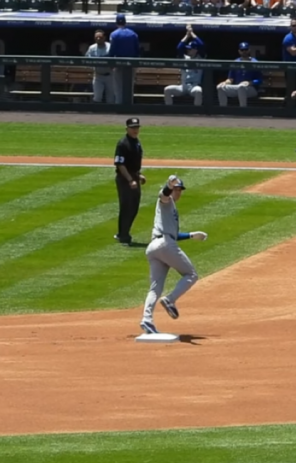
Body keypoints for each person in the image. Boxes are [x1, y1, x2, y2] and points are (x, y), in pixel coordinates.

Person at [140, 175, 208, 335]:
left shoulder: (171, 209)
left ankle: (146, 320)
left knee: (155, 287)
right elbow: (163, 194)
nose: (178, 193)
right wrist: (168, 185)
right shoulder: (166, 201)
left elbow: (173, 234)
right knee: (191, 274)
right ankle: (170, 299)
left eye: (179, 190)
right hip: (164, 244)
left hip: (154, 247)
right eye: (176, 189)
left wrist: (191, 235)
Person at [113, 117, 146, 246]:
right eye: (132, 128)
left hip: (133, 177)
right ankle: (122, 234)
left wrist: (138, 175)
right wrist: (130, 179)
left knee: (134, 207)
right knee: (126, 207)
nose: (135, 130)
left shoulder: (136, 142)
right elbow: (120, 164)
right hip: (124, 178)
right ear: (127, 129)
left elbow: (133, 163)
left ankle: (124, 232)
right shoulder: (123, 143)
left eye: (137, 127)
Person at [164, 25, 204, 106]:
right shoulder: (185, 58)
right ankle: (169, 110)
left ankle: (197, 112)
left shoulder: (200, 58)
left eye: (190, 49)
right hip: (183, 86)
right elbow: (179, 48)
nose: (188, 50)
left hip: (194, 85)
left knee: (198, 91)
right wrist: (187, 35)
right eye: (188, 48)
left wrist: (192, 33)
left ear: (195, 50)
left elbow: (201, 44)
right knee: (167, 89)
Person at [217, 42, 263, 107]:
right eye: (242, 50)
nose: (244, 51)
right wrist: (225, 82)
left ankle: (243, 111)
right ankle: (223, 111)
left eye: (246, 50)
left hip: (251, 89)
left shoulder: (254, 62)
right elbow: (231, 79)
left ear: (249, 50)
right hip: (237, 87)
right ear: (239, 51)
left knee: (241, 87)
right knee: (220, 87)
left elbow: (260, 80)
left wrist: (250, 82)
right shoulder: (236, 62)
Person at [108, 14, 140, 105]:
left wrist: (111, 62)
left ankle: (119, 106)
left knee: (118, 87)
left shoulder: (114, 34)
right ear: (125, 22)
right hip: (131, 63)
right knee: (130, 86)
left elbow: (112, 50)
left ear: (116, 22)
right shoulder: (133, 34)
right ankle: (129, 105)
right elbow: (137, 49)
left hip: (119, 63)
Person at [86, 29, 114, 104]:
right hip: (98, 75)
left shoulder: (110, 47)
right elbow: (87, 60)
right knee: (97, 97)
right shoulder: (92, 48)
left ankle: (111, 114)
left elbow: (115, 58)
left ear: (104, 37)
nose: (98, 39)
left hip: (110, 75)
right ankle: (96, 114)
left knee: (110, 98)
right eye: (96, 37)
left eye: (100, 37)